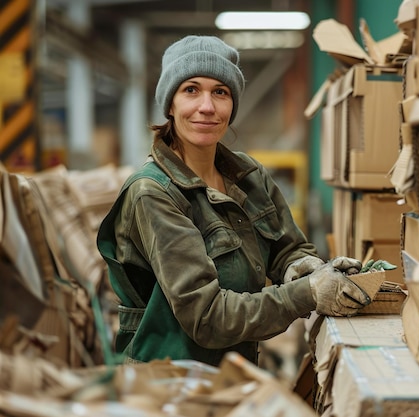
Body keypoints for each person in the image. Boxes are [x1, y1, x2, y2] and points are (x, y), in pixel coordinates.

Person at [96, 35, 370, 366]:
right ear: (169, 104)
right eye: (191, 90)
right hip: (169, 384)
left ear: (232, 105)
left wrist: (303, 267)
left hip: (233, 371)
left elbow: (287, 248)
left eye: (220, 92)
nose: (207, 106)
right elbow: (206, 316)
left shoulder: (249, 176)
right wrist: (308, 292)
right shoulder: (154, 193)